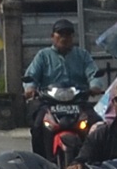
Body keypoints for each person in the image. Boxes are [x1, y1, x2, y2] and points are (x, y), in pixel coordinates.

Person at [23, 18, 99, 157]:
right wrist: (30, 88)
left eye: (68, 34)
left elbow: (93, 73)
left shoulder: (82, 55)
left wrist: (95, 86)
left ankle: (96, 162)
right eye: (60, 34)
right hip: (49, 103)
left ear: (72, 37)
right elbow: (31, 76)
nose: (64, 38)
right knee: (38, 126)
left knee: (98, 125)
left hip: (77, 102)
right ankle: (40, 161)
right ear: (53, 36)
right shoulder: (43, 56)